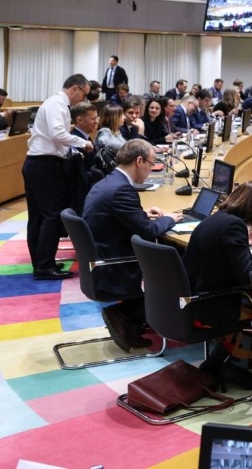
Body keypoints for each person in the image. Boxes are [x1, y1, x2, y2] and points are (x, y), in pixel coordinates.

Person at [82, 139, 184, 349]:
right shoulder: (122, 190)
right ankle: (125, 314)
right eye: (151, 163)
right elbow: (149, 231)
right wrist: (170, 219)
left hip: (101, 258)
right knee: (176, 269)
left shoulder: (109, 181)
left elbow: (115, 216)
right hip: (114, 266)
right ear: (139, 161)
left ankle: (128, 315)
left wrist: (141, 214)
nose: (151, 169)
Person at [183, 180, 252, 388]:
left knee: (248, 300)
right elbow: (248, 276)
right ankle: (236, 367)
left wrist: (244, 243)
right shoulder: (234, 226)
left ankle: (217, 361)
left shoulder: (219, 219)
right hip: (207, 305)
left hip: (194, 299)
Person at [23, 74, 95, 280]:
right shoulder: (57, 104)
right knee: (51, 216)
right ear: (75, 88)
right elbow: (57, 135)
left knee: (39, 217)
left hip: (38, 164)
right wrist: (83, 143)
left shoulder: (57, 104)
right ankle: (44, 266)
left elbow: (56, 138)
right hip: (44, 165)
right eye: (84, 94)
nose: (83, 99)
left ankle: (42, 262)